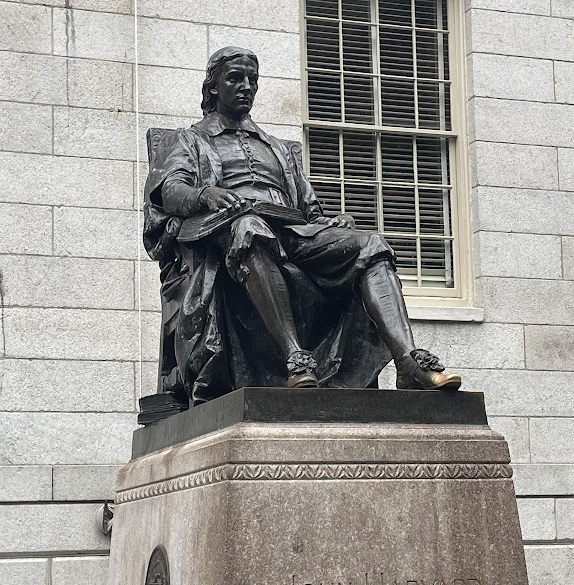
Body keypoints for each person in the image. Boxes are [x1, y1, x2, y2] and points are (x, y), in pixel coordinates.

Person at [143, 46, 461, 404]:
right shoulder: (190, 140)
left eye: (252, 79)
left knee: (370, 243)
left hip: (293, 232)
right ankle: (296, 358)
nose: (246, 86)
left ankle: (407, 361)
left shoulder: (277, 147)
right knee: (251, 228)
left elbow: (309, 209)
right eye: (235, 78)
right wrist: (204, 195)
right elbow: (170, 190)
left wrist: (332, 223)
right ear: (213, 86)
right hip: (230, 229)